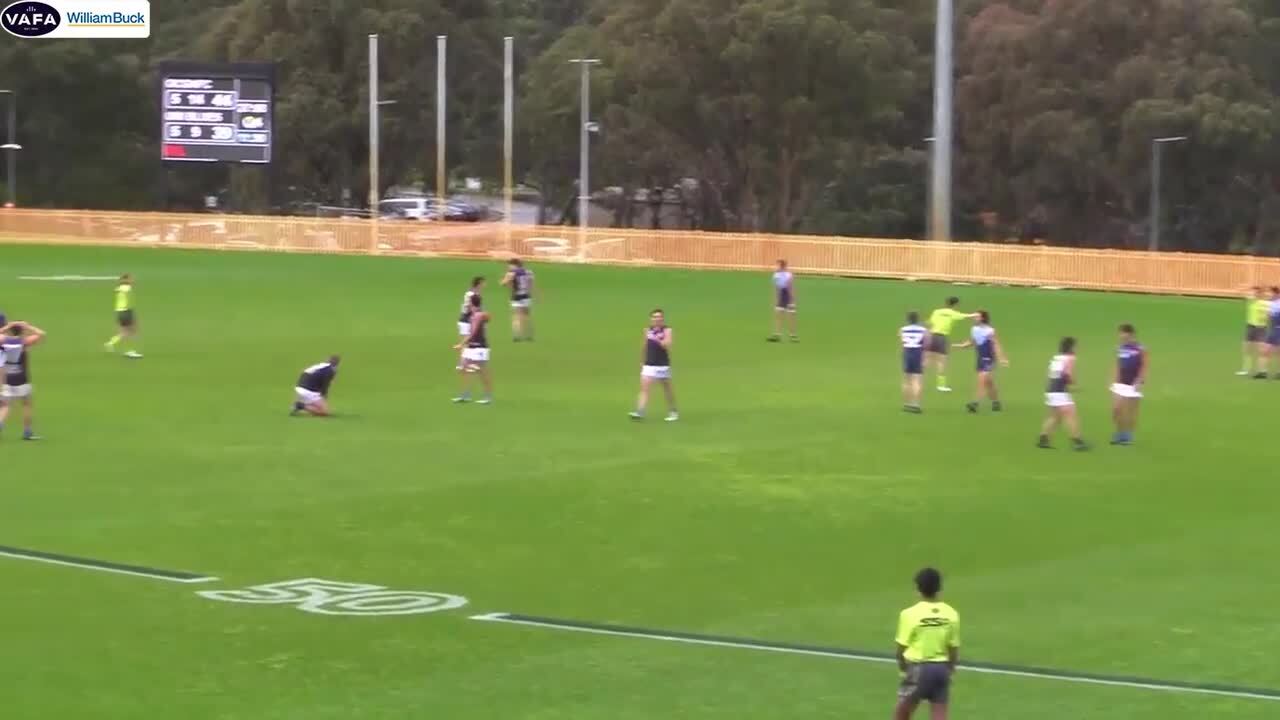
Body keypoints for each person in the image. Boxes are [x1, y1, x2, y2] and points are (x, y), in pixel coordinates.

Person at [893, 567, 960, 720]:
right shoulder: (951, 613)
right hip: (941, 670)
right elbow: (954, 649)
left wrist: (904, 670)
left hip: (918, 670)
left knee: (901, 715)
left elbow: (900, 650)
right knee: (939, 716)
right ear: (940, 589)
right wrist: (950, 671)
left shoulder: (909, 614)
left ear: (917, 588)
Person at [1038, 337, 1088, 450]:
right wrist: (1073, 384)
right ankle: (1078, 441)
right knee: (1071, 415)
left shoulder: (1056, 358)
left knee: (1054, 416)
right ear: (1071, 347)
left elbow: (1051, 374)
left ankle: (1043, 439)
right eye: (1075, 346)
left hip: (1051, 390)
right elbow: (1068, 374)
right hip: (1060, 391)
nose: (1077, 348)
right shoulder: (1070, 358)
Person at [953, 311, 1007, 413]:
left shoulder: (990, 331)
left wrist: (1001, 358)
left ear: (982, 318)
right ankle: (996, 402)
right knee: (989, 383)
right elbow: (973, 342)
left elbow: (996, 345)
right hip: (980, 358)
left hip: (989, 359)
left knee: (981, 380)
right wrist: (961, 346)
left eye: (976, 316)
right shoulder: (974, 329)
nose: (974, 317)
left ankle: (975, 403)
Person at [0, 320, 46, 441]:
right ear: (22, 330)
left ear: (11, 330)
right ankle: (27, 432)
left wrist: (8, 326)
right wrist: (28, 326)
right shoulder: (23, 342)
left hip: (8, 378)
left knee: (5, 405)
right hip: (21, 378)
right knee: (26, 404)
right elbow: (41, 334)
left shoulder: (4, 341)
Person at [630, 309, 678, 422]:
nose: (657, 319)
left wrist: (657, 337)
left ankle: (673, 411)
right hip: (649, 364)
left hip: (662, 365)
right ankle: (640, 411)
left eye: (659, 317)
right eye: (655, 317)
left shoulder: (667, 330)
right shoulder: (647, 330)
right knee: (644, 389)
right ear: (651, 319)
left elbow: (667, 345)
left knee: (667, 390)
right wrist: (642, 360)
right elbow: (644, 345)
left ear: (662, 318)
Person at [927, 297, 978, 392]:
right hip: (942, 338)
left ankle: (916, 377)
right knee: (941, 362)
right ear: (955, 304)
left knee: (927, 359)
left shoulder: (936, 311)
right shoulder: (953, 313)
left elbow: (930, 323)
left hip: (931, 336)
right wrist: (976, 314)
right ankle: (941, 385)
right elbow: (965, 316)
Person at [1110, 324, 1147, 446]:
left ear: (1129, 334)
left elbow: (1144, 365)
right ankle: (1120, 432)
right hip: (1120, 383)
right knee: (1116, 410)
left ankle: (1127, 436)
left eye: (1122, 333)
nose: (1120, 335)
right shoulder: (1121, 348)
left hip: (1133, 383)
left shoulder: (1140, 348)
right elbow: (1118, 364)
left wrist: (1140, 380)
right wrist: (1114, 380)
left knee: (1130, 411)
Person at [453, 296, 494, 404]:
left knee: (482, 372)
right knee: (463, 368)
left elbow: (473, 333)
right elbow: (488, 318)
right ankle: (466, 395)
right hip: (471, 347)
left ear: (471, 303)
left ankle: (488, 397)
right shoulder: (476, 315)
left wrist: (461, 344)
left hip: (480, 347)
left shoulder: (478, 315)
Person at [104, 273, 142, 359]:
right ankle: (130, 351)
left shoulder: (119, 288)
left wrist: (122, 282)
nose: (133, 280)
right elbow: (128, 287)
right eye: (131, 278)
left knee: (124, 332)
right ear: (127, 280)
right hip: (126, 311)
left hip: (119, 312)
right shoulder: (127, 288)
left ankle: (110, 343)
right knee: (133, 331)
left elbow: (116, 289)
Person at [899, 312, 930, 413]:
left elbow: (902, 342)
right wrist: (925, 358)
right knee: (917, 380)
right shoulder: (923, 330)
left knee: (906, 380)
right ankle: (916, 404)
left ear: (908, 319)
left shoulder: (902, 329)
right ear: (918, 319)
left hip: (907, 352)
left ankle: (906, 403)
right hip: (918, 353)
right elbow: (926, 344)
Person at [501, 258, 536, 341]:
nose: (508, 267)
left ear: (514, 264)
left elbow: (503, 283)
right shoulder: (528, 272)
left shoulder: (511, 273)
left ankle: (517, 336)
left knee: (516, 317)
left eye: (509, 265)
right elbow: (530, 284)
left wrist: (504, 280)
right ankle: (529, 335)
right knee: (527, 316)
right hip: (526, 296)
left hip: (516, 296)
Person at [1239, 286, 1269, 377]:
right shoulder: (1250, 301)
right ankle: (1246, 369)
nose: (1251, 295)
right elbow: (1241, 294)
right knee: (1246, 348)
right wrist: (1243, 288)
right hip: (1250, 327)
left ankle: (1262, 370)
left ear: (1259, 294)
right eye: (1251, 293)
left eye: (1254, 293)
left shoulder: (1265, 303)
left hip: (1260, 328)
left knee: (1261, 350)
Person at [457, 276, 485, 370]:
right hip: (466, 320)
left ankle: (463, 364)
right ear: (479, 283)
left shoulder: (470, 293)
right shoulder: (474, 295)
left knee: (466, 342)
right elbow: (470, 307)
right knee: (466, 342)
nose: (484, 285)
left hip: (464, 319)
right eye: (483, 283)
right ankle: (464, 364)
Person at [767, 259, 798, 342]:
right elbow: (776, 288)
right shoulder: (775, 275)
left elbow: (790, 287)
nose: (775, 267)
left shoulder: (789, 275)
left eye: (777, 265)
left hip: (787, 295)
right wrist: (776, 299)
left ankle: (793, 335)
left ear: (782, 266)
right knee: (779, 316)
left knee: (791, 316)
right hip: (781, 295)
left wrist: (792, 299)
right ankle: (777, 335)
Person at [1266, 287, 1280, 379]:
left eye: (1272, 293)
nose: (1270, 295)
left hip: (1278, 329)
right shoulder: (1271, 303)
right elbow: (1269, 316)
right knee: (1267, 350)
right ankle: (1264, 371)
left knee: (1278, 351)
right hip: (1272, 329)